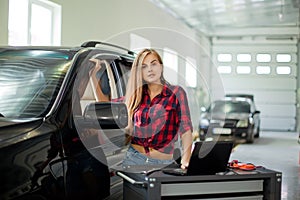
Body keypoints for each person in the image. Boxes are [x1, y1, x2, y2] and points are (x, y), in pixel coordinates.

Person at [122, 48, 193, 170]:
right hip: (133, 159)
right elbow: (105, 106)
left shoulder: (176, 93)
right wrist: (94, 76)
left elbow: (186, 130)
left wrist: (186, 160)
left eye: (153, 64)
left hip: (162, 163)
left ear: (161, 67)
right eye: (144, 66)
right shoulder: (135, 96)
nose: (150, 69)